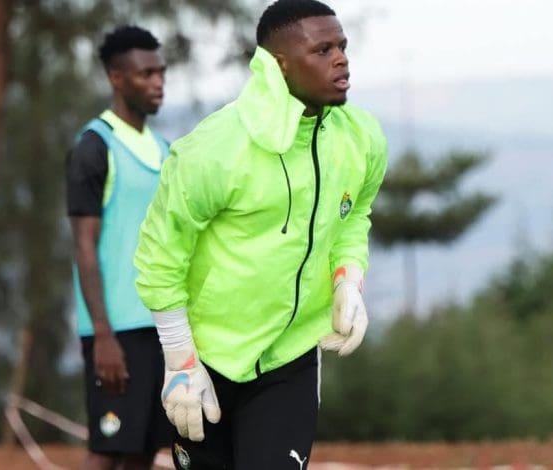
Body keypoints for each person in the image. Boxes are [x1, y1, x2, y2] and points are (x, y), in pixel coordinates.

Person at [133, 0, 388, 468]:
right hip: (205, 358)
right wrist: (180, 359)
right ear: (277, 65)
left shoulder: (363, 137)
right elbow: (160, 258)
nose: (341, 59)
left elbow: (353, 214)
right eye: (322, 49)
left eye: (342, 46)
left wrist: (348, 278)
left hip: (289, 358)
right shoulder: (213, 150)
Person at [66, 25, 173, 470]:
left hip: (163, 323)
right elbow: (84, 246)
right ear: (116, 78)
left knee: (144, 449)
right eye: (146, 74)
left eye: (161, 72)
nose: (158, 83)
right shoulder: (94, 147)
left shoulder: (164, 150)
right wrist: (103, 336)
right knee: (108, 448)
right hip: (116, 331)